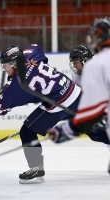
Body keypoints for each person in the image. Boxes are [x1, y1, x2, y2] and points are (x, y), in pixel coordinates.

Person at [0, 44, 81, 184]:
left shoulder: (18, 86)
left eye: (5, 65)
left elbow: (0, 107)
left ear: (14, 63)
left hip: (59, 104)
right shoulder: (31, 53)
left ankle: (36, 169)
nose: (3, 68)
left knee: (27, 131)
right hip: (75, 92)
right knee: (95, 131)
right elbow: (35, 47)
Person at [47, 18, 110, 173]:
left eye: (96, 35)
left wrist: (69, 128)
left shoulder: (97, 65)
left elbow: (94, 103)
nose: (92, 39)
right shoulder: (90, 67)